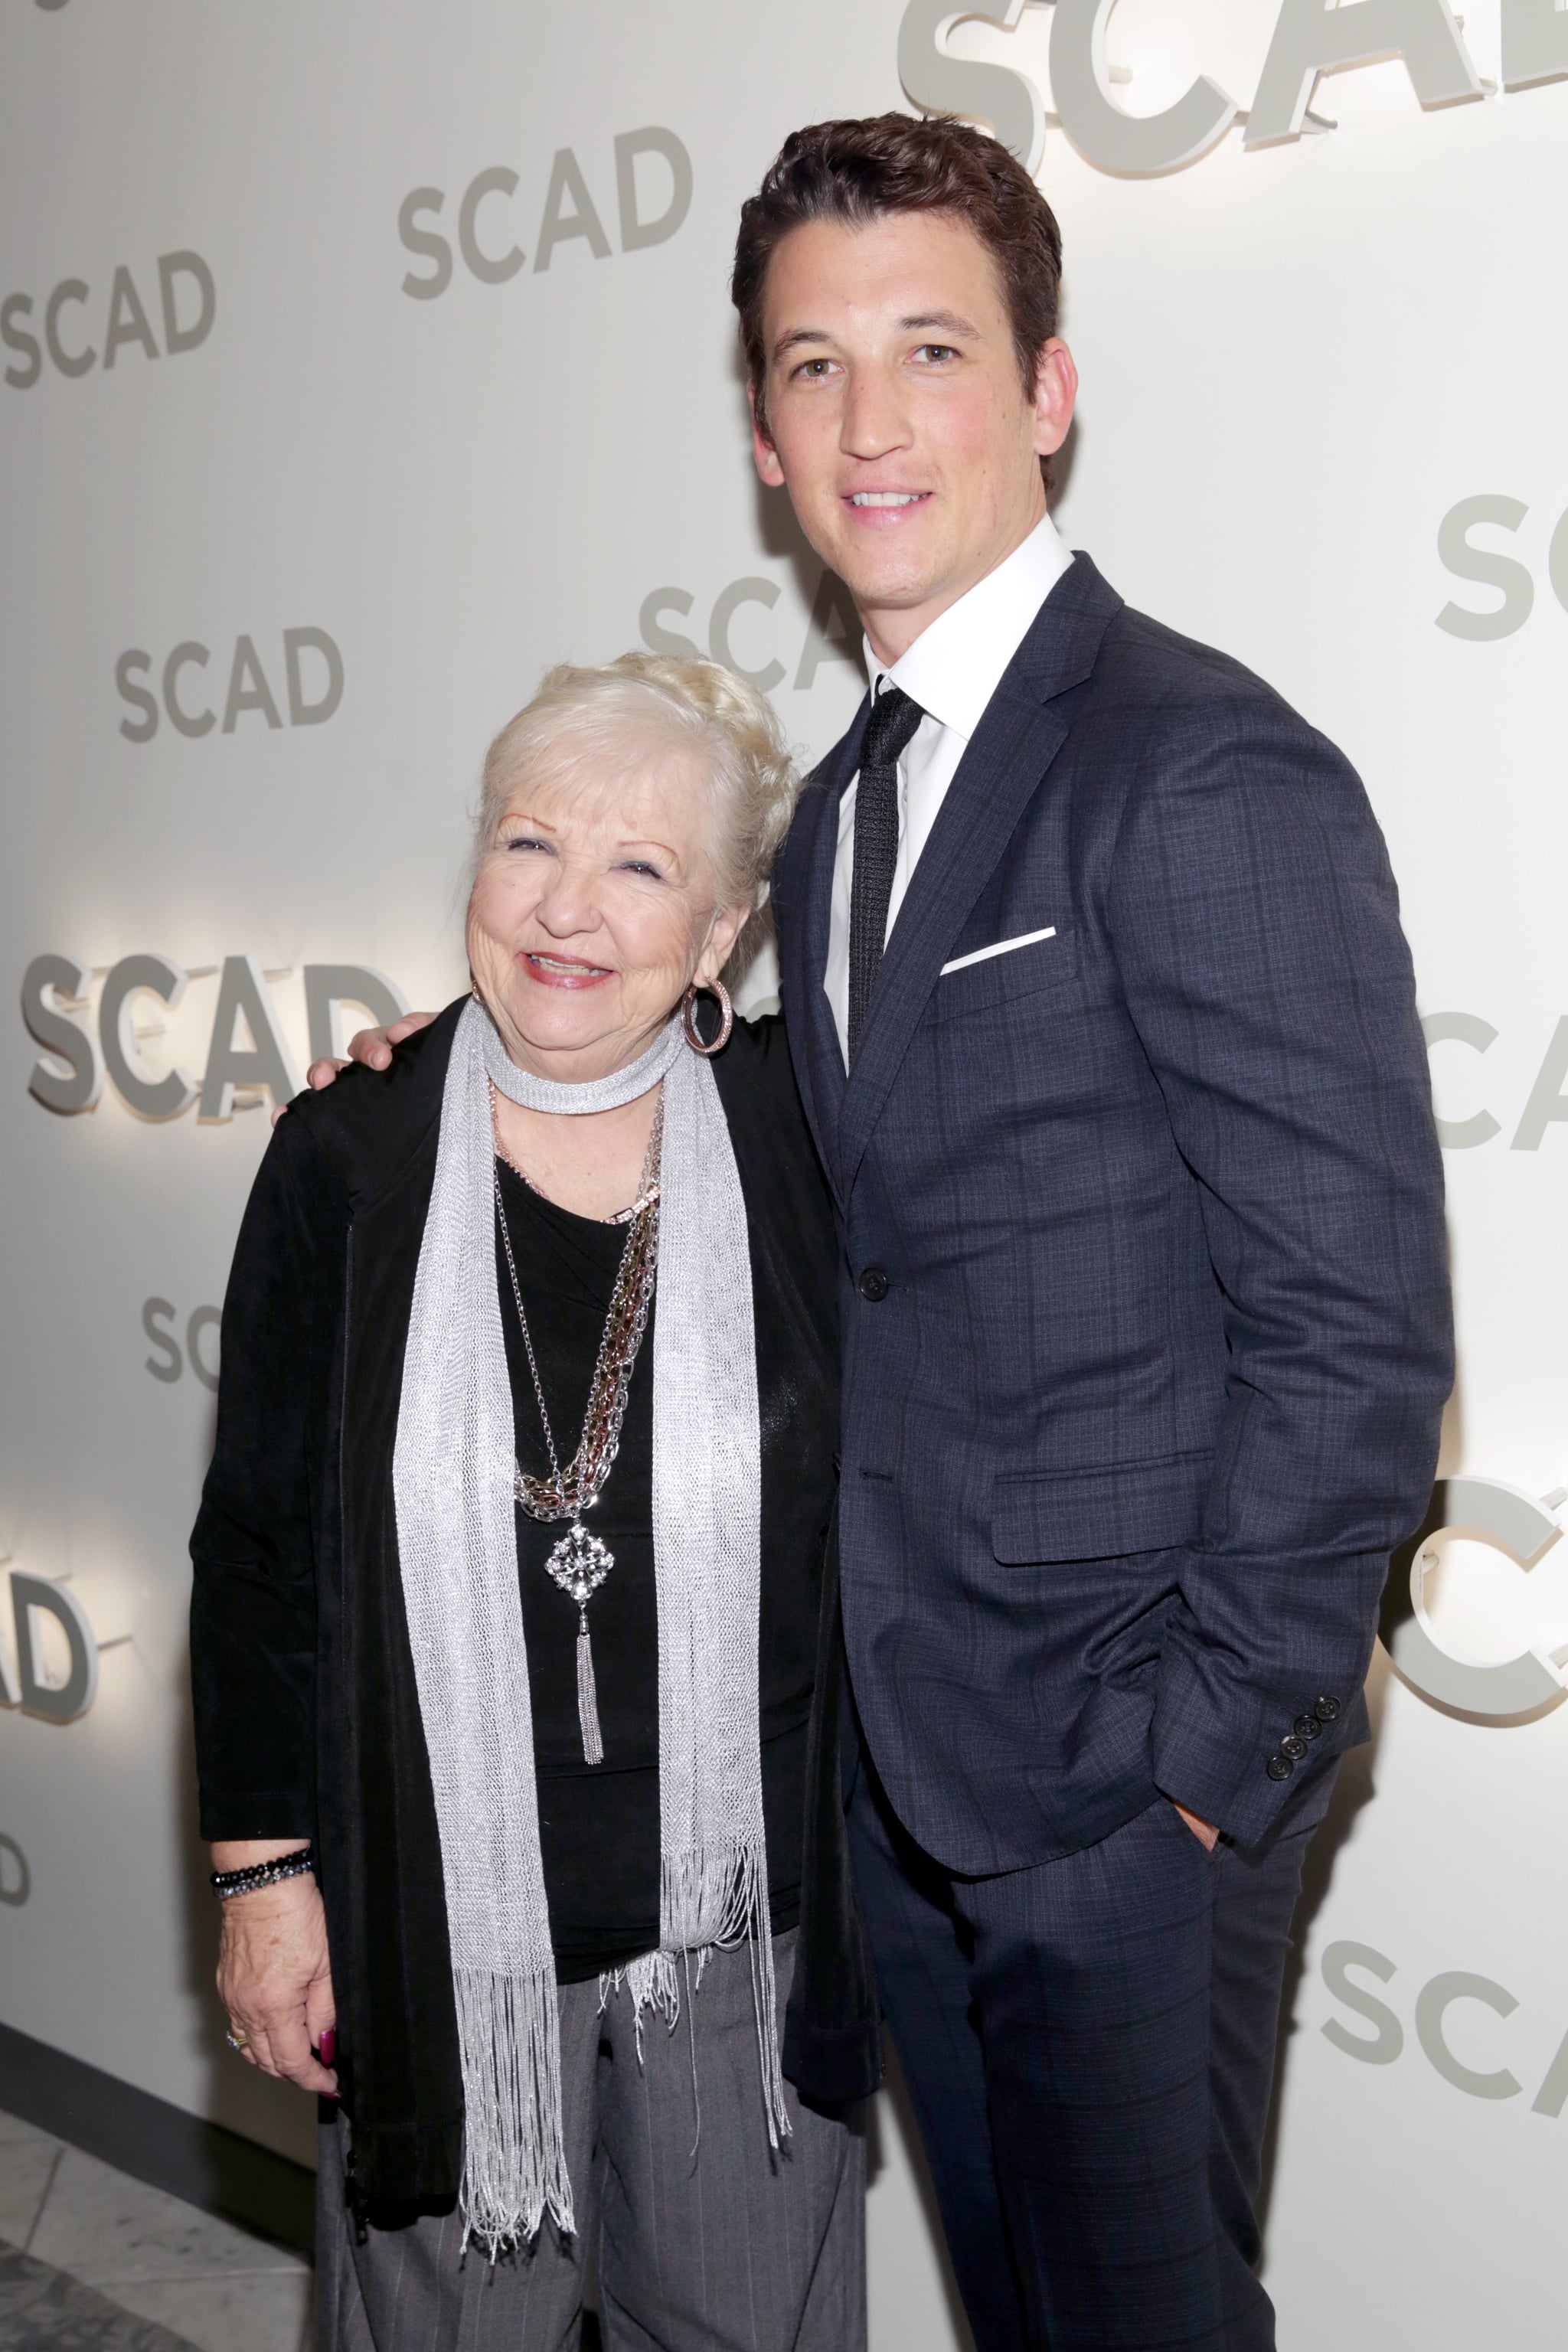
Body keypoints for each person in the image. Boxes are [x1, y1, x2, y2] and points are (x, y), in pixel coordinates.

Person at [331, 110, 1453, 2352]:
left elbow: (1357, 1330)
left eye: (929, 349)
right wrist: (429, 1088)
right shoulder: (841, 805)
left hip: (1131, 1804)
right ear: (761, 432)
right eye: (811, 366)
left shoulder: (1194, 765)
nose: (869, 419)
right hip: (905, 1780)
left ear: (1046, 389)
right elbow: (782, 1171)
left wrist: (1200, 1777)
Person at [189, 654, 873, 2352]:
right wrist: (262, 1885)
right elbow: (258, 1553)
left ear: (718, 934)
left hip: (746, 1922)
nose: (567, 910)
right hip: (436, 1921)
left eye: (639, 869)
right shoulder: (349, 1155)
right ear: (472, 872)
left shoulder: (806, 1133)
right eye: (526, 846)